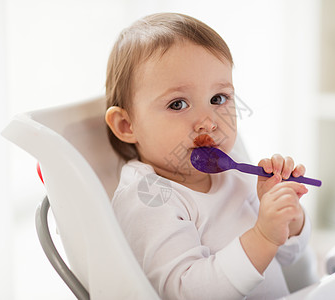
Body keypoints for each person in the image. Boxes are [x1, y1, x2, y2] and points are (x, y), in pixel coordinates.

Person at [105, 12, 311, 300]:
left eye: (218, 99)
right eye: (178, 104)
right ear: (127, 126)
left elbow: (289, 256)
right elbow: (186, 291)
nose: (208, 122)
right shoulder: (148, 196)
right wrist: (262, 236)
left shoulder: (234, 169)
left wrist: (285, 215)